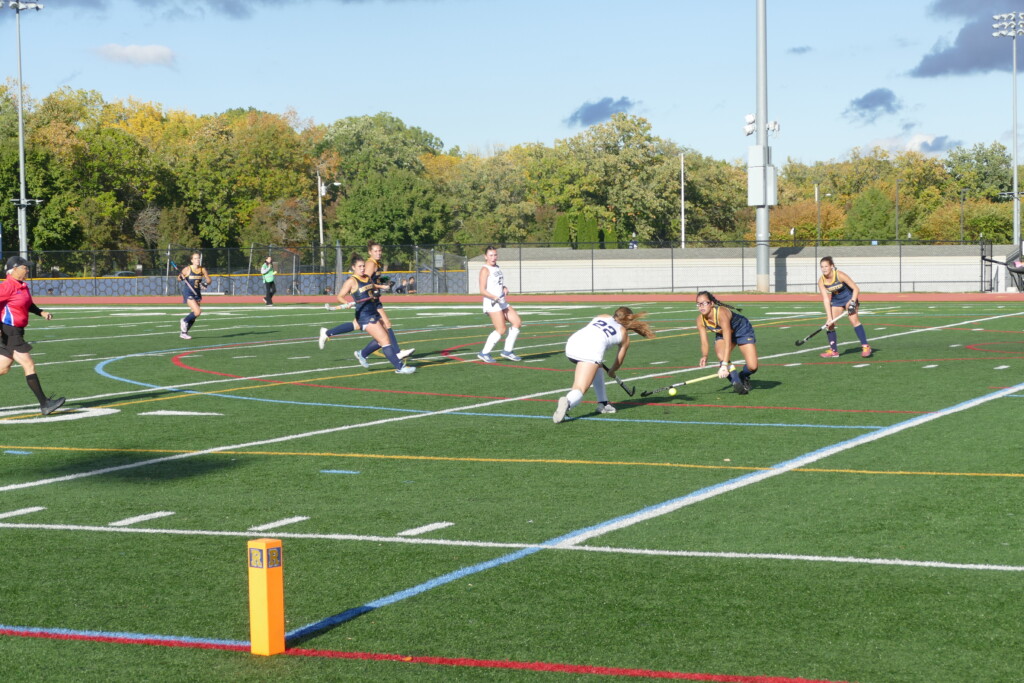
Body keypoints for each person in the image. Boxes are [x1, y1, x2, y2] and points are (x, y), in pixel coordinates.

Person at [553, 306, 655, 423]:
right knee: (580, 388)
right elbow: (619, 360)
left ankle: (603, 403)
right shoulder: (623, 334)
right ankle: (568, 402)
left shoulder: (603, 316)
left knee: (598, 366)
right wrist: (612, 371)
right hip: (590, 351)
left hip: (572, 343)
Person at [317, 256, 415, 374]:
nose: (362, 268)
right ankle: (400, 367)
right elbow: (339, 296)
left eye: (363, 266)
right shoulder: (351, 281)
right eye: (359, 266)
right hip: (365, 315)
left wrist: (381, 288)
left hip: (373, 310)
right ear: (353, 267)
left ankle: (358, 352)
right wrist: (346, 303)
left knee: (380, 337)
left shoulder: (367, 277)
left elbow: (372, 286)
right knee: (384, 340)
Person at [0, 256, 65, 416]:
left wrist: (41, 312)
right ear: (14, 269)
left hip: (17, 331)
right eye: (24, 267)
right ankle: (45, 404)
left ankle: (45, 404)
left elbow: (28, 304)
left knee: (3, 368)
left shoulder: (22, 286)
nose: (27, 270)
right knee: (29, 365)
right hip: (10, 331)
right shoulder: (7, 286)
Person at [695, 291, 759, 395]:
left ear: (711, 303)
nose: (701, 306)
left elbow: (728, 340)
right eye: (698, 304)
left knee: (753, 367)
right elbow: (704, 342)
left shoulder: (721, 313)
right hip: (722, 334)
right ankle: (737, 383)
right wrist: (705, 355)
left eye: (704, 303)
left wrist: (724, 365)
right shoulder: (700, 320)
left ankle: (743, 376)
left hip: (742, 329)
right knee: (721, 354)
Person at [364, 241, 414, 361]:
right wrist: (381, 287)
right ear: (370, 252)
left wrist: (385, 281)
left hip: (374, 299)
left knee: (384, 329)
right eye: (375, 251)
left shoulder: (377, 263)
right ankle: (397, 353)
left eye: (380, 250)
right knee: (385, 325)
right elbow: (365, 281)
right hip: (371, 300)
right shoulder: (371, 263)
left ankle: (362, 353)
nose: (378, 253)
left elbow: (375, 279)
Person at [817, 256, 871, 358]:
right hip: (836, 301)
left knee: (853, 320)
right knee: (830, 325)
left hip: (849, 298)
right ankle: (834, 351)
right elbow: (826, 299)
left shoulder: (840, 275)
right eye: (822, 267)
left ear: (832, 266)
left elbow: (856, 288)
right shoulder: (821, 280)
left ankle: (866, 346)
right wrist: (829, 318)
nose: (824, 269)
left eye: (826, 266)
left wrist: (853, 303)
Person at [477, 245, 523, 363]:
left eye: (495, 255)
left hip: (501, 301)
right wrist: (494, 297)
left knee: (517, 322)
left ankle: (507, 351)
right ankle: (484, 353)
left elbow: (497, 284)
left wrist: (504, 287)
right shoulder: (485, 269)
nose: (493, 257)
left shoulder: (496, 267)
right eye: (491, 255)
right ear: (485, 256)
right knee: (501, 329)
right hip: (492, 303)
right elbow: (482, 290)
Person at [178, 252, 211, 340]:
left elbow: (209, 280)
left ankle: (184, 333)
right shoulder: (188, 269)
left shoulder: (202, 269)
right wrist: (181, 277)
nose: (198, 260)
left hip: (197, 293)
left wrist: (205, 283)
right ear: (192, 260)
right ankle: (184, 321)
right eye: (196, 258)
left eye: (198, 258)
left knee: (195, 315)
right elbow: (178, 278)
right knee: (197, 311)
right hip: (188, 293)